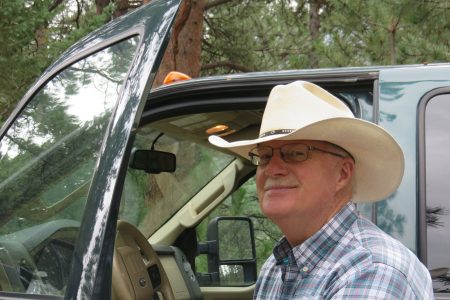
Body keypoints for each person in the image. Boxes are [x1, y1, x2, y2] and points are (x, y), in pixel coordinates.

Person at [209, 80, 433, 299]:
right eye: (265, 156)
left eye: (296, 153)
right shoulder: (277, 267)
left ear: (342, 174)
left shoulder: (371, 270)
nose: (272, 168)